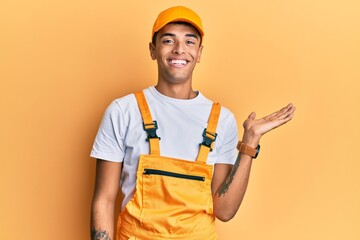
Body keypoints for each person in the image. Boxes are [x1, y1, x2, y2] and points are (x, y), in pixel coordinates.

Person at [90, 6, 296, 240]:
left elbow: (224, 210)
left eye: (190, 42)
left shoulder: (221, 120)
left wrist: (250, 142)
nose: (179, 49)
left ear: (199, 53)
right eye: (168, 40)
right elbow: (104, 200)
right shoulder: (122, 111)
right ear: (153, 50)